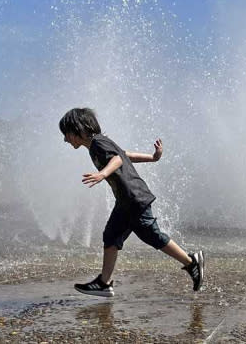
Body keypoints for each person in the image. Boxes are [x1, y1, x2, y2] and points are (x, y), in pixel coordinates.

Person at [59, 107, 204, 297]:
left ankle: (191, 262)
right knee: (111, 236)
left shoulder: (97, 144)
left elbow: (118, 159)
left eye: (66, 134)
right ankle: (104, 283)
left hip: (134, 198)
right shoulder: (99, 144)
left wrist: (102, 174)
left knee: (151, 234)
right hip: (125, 201)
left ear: (78, 129)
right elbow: (125, 154)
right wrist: (152, 158)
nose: (65, 139)